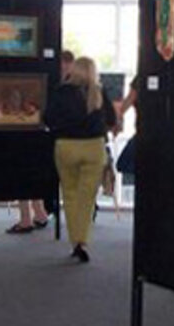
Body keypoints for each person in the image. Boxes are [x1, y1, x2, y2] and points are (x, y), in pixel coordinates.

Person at [45, 56, 116, 263]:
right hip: (94, 148)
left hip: (66, 147)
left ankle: (75, 240)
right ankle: (81, 241)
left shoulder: (60, 92)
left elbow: (47, 118)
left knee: (70, 193)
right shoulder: (99, 92)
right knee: (86, 198)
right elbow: (111, 120)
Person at [4, 51, 77, 234]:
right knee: (30, 173)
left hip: (43, 135)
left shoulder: (59, 86)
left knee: (25, 171)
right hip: (50, 136)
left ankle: (27, 218)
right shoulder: (70, 85)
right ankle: (38, 213)